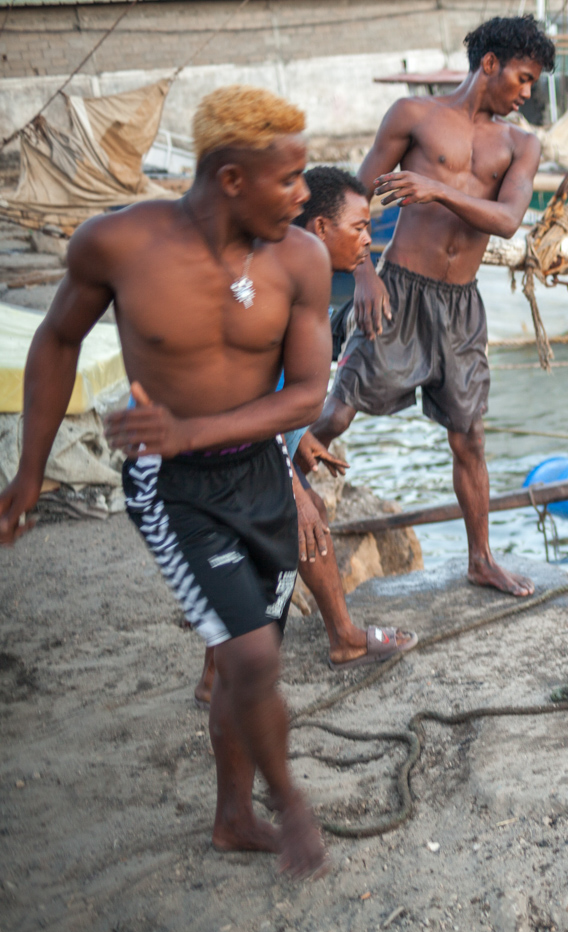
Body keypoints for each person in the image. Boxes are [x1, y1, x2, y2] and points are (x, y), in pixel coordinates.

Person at [0, 86, 331, 878]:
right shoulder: (118, 245)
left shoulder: (301, 257)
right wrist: (29, 474)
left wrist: (198, 429)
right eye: (287, 180)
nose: (303, 195)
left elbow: (306, 394)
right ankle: (289, 808)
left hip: (258, 476)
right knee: (251, 661)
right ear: (230, 179)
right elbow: (55, 341)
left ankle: (230, 819)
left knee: (246, 648)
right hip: (170, 488)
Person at [310, 14, 554, 598]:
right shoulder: (412, 116)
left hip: (461, 307)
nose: (527, 94)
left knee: (469, 436)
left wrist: (439, 189)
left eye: (534, 84)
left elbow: (508, 221)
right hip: (398, 289)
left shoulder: (521, 144)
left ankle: (481, 560)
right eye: (522, 78)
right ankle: (279, 501)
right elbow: (355, 197)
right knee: (338, 415)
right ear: (489, 63)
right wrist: (362, 273)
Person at [192, 166, 417, 709]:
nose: (368, 240)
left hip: (233, 432)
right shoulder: (272, 289)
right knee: (294, 518)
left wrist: (298, 445)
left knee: (300, 511)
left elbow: (273, 394)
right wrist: (289, 484)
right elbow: (240, 397)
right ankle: (235, 673)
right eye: (360, 228)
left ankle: (332, 638)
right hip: (204, 439)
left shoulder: (294, 274)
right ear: (319, 227)